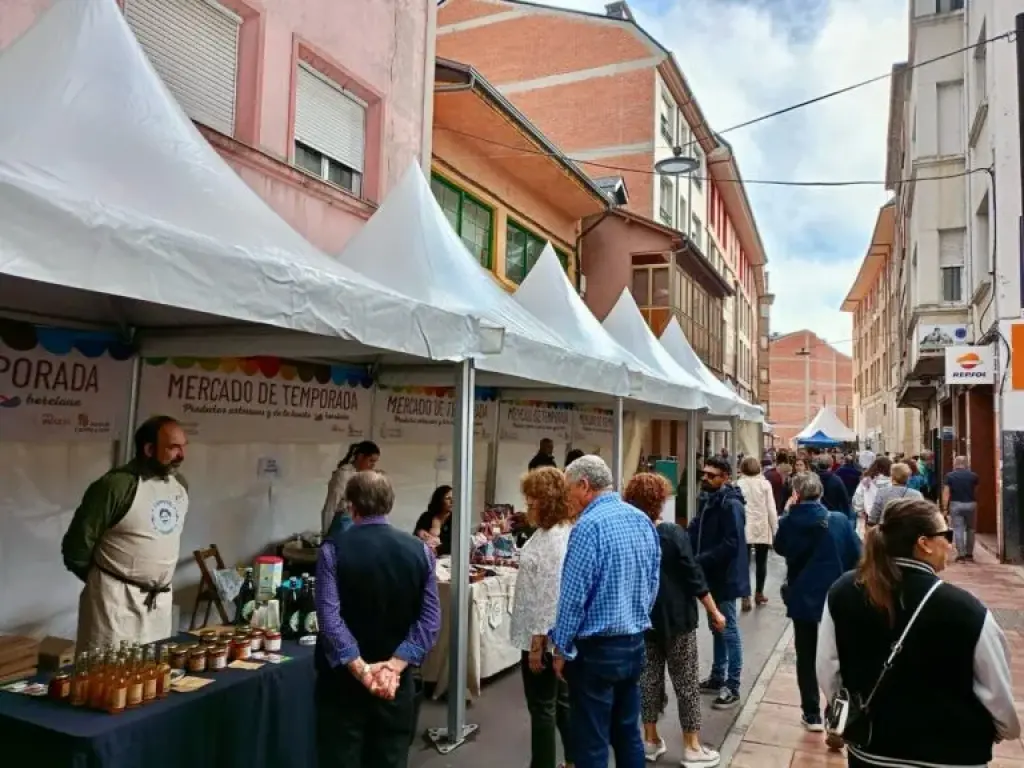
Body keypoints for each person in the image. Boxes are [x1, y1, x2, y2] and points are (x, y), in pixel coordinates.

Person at [817, 498, 1020, 765]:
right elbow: (997, 695)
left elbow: (828, 670)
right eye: (946, 535)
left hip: (872, 750)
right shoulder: (967, 611)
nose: (950, 544)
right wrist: (1000, 730)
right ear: (924, 543)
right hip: (952, 755)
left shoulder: (843, 591)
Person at [314, 471, 441, 768]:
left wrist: (361, 669)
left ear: (351, 505)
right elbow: (430, 620)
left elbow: (330, 618)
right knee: (390, 758)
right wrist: (395, 666)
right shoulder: (420, 551)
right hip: (394, 686)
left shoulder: (332, 550)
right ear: (390, 504)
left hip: (342, 685)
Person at [549, 455, 660, 768]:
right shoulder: (641, 520)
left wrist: (561, 647)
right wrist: (635, 618)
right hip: (634, 642)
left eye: (569, 489)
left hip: (596, 650)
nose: (567, 498)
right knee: (627, 733)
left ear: (584, 486)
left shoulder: (588, 527)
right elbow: (652, 582)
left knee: (591, 741)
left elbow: (573, 597)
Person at [61, 416, 189, 649]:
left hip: (158, 604)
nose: (182, 455)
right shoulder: (116, 486)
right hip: (114, 604)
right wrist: (105, 582)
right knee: (106, 668)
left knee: (152, 668)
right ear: (149, 449)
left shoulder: (179, 486)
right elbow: (76, 547)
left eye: (183, 446)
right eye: (173, 447)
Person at [624, 473, 724, 768]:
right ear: (659, 501)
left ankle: (650, 739)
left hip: (643, 619)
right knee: (686, 682)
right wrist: (713, 610)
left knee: (649, 680)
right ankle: (692, 746)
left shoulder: (629, 533)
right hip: (678, 618)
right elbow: (693, 575)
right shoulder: (671, 533)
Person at [774, 472, 861, 732]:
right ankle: (836, 711)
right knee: (840, 656)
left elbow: (780, 548)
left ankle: (811, 713)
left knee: (806, 655)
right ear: (820, 493)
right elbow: (858, 556)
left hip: (803, 597)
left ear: (796, 494)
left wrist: (789, 512)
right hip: (836, 597)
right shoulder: (839, 521)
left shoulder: (789, 522)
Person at [509, 468, 575, 768]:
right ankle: (574, 759)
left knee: (542, 708)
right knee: (559, 704)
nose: (528, 503)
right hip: (547, 636)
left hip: (542, 638)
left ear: (547, 500)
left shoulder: (553, 539)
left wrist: (537, 645)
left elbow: (550, 594)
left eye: (532, 498)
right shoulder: (553, 532)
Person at [688, 457, 749, 710]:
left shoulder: (730, 504)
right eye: (704, 474)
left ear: (725, 477)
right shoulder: (709, 499)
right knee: (717, 627)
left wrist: (701, 558)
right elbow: (696, 530)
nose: (705, 478)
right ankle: (717, 676)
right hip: (711, 574)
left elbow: (732, 543)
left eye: (711, 475)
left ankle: (732, 685)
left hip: (725, 576)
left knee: (728, 628)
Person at [736, 456, 778, 611]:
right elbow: (771, 509)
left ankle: (745, 596)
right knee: (761, 562)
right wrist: (775, 529)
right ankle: (759, 593)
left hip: (745, 525)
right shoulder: (765, 484)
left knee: (744, 563)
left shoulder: (738, 484)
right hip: (762, 526)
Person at [321, 441, 381, 536]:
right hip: (343, 523)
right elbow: (331, 506)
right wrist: (326, 534)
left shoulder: (365, 475)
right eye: (370, 461)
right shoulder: (343, 475)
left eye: (374, 462)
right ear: (360, 457)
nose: (372, 465)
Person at [943, 455, 980, 563]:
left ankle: (961, 555)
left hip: (956, 504)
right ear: (967, 464)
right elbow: (976, 491)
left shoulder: (949, 476)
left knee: (958, 529)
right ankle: (969, 555)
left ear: (955, 464)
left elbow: (946, 493)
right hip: (971, 504)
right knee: (971, 529)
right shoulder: (974, 476)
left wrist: (944, 508)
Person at [868, 462, 922, 527]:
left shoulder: (882, 492)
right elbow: (921, 516)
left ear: (892, 477)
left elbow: (873, 516)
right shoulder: (917, 494)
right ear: (908, 478)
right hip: (909, 529)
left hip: (886, 528)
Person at [413, 485, 453, 556]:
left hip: (446, 558)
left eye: (453, 498)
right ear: (439, 500)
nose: (452, 501)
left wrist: (437, 550)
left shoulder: (455, 519)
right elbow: (415, 537)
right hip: (424, 554)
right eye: (448, 498)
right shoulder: (426, 516)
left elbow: (456, 543)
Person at [852, 456, 892, 528]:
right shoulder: (893, 482)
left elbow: (858, 497)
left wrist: (860, 511)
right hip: (888, 518)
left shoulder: (866, 481)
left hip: (870, 517)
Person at [814, 456, 853, 523]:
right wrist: (847, 517)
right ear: (831, 465)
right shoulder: (836, 479)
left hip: (816, 514)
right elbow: (845, 500)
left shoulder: (813, 478)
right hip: (833, 515)